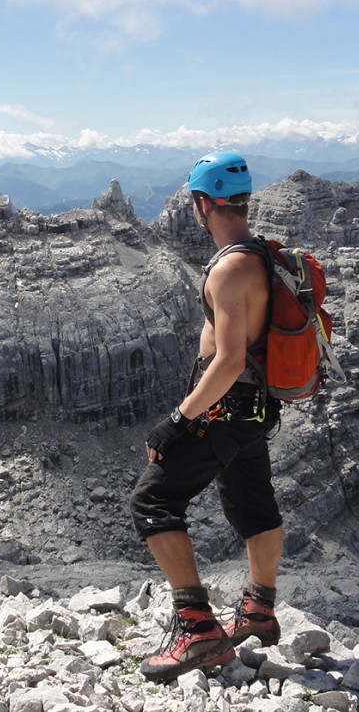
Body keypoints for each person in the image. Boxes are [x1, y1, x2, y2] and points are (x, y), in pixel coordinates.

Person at [130, 152, 284, 682]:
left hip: (227, 405)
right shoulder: (261, 254)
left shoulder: (228, 267)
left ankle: (197, 633)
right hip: (259, 407)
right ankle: (259, 613)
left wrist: (177, 418)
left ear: (201, 205)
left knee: (153, 500)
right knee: (253, 504)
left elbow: (230, 359)